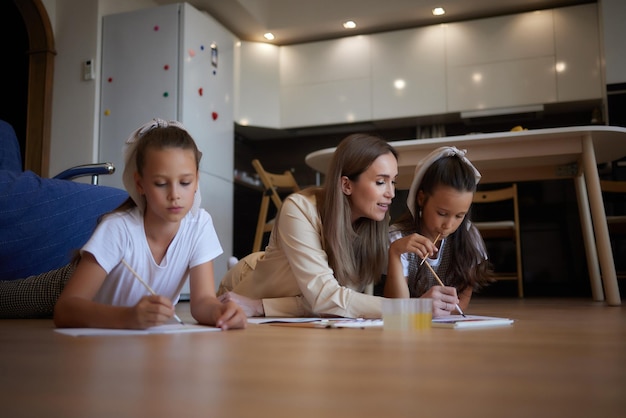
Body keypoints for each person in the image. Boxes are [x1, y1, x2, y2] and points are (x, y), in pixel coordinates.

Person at [53, 119, 246, 330]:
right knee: (11, 297)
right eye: (161, 184)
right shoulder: (117, 229)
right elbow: (64, 309)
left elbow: (201, 303)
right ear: (140, 184)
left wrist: (221, 312)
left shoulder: (199, 225)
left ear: (197, 180)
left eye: (185, 183)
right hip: (56, 285)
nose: (174, 195)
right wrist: (128, 317)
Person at [218, 133, 398, 318]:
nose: (391, 193)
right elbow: (326, 299)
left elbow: (332, 302)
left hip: (296, 298)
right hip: (243, 292)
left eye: (393, 181)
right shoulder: (300, 208)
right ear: (346, 185)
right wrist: (409, 308)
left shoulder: (373, 222)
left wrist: (262, 307)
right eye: (380, 182)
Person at [384, 146, 492, 317]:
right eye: (442, 213)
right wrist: (395, 253)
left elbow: (460, 307)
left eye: (459, 216)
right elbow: (395, 310)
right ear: (421, 199)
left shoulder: (469, 237)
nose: (448, 225)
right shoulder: (399, 239)